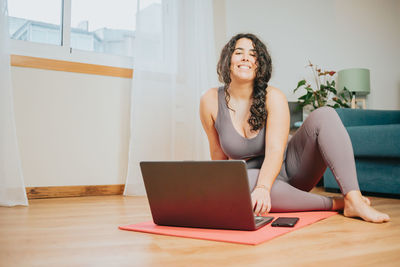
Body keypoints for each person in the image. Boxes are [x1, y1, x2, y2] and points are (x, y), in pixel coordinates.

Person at [199, 33, 390, 223]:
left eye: (253, 54)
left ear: (260, 64)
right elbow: (218, 154)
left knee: (325, 114)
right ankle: (336, 204)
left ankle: (353, 199)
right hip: (251, 178)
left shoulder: (273, 97)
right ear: (228, 60)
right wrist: (222, 190)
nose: (246, 58)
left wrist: (263, 188)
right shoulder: (210, 101)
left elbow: (275, 151)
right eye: (239, 52)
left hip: (291, 172)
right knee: (241, 183)